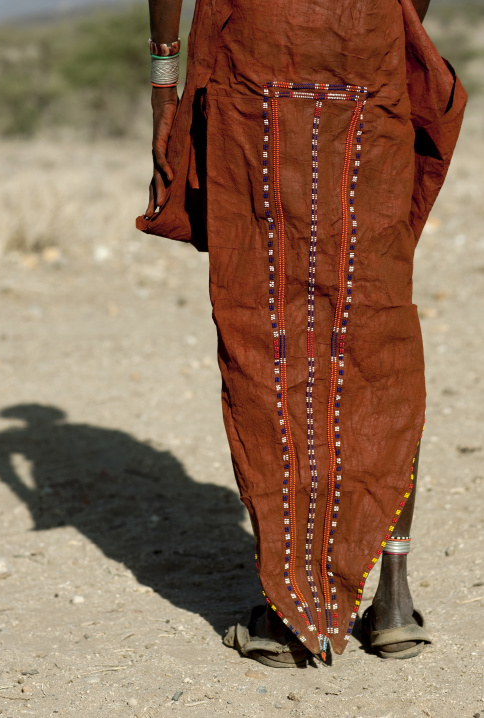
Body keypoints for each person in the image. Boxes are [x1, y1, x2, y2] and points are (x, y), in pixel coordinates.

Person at [137, 0, 466, 666]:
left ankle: (290, 618)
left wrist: (164, 75)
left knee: (267, 323)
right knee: (376, 332)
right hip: (367, 62)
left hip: (254, 59)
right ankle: (393, 601)